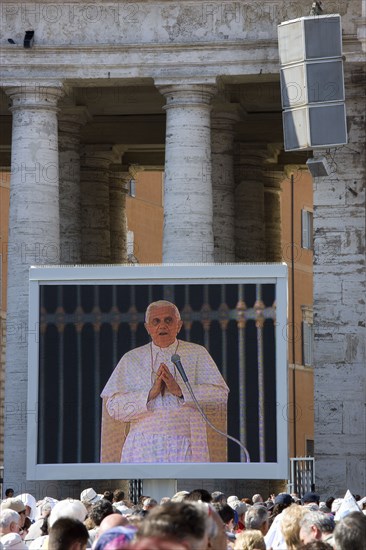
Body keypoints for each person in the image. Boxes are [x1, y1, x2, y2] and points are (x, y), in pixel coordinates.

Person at [101, 300, 229, 463]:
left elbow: (220, 396)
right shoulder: (131, 359)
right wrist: (149, 394)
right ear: (148, 328)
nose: (162, 326)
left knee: (185, 489)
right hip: (142, 446)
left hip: (187, 444)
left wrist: (180, 390)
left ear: (179, 325)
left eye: (168, 320)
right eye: (156, 321)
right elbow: (113, 407)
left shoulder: (197, 353)